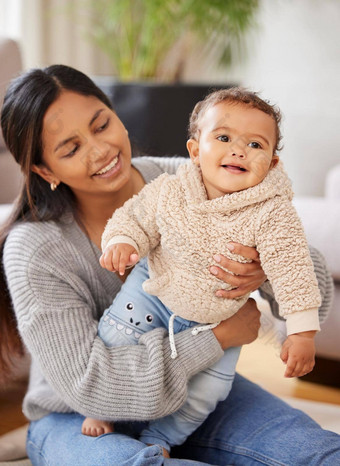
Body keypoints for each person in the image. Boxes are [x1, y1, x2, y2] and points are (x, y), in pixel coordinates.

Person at [0, 65, 337, 466]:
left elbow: (304, 278)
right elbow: (86, 385)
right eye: (70, 149)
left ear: (117, 115)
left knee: (316, 453)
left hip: (194, 391)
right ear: (44, 170)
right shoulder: (35, 248)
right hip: (76, 413)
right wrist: (218, 338)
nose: (100, 150)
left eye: (101, 124)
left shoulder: (193, 177)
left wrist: (264, 269)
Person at [83, 88, 321, 455]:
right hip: (154, 293)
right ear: (195, 150)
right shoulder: (169, 190)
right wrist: (123, 242)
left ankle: (160, 438)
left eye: (255, 144)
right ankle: (103, 409)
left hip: (218, 317)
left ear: (273, 163)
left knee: (208, 393)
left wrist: (302, 332)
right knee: (114, 339)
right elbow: (135, 217)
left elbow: (293, 269)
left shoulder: (273, 213)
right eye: (223, 138)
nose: (239, 150)